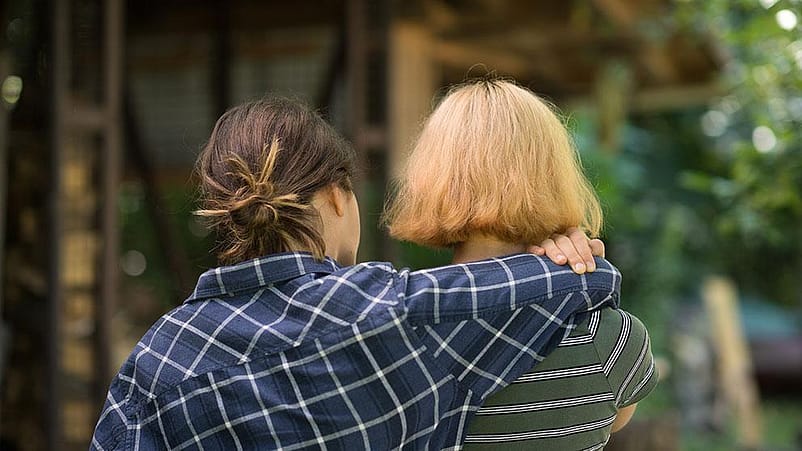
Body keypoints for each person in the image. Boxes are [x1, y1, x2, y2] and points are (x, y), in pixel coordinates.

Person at [90, 97, 619, 450]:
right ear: (337, 198)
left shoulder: (158, 358)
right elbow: (480, 294)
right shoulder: (383, 312)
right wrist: (578, 269)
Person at [384, 79, 658, 449]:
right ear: (553, 176)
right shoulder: (610, 340)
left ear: (432, 179)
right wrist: (577, 284)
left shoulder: (392, 328)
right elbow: (618, 419)